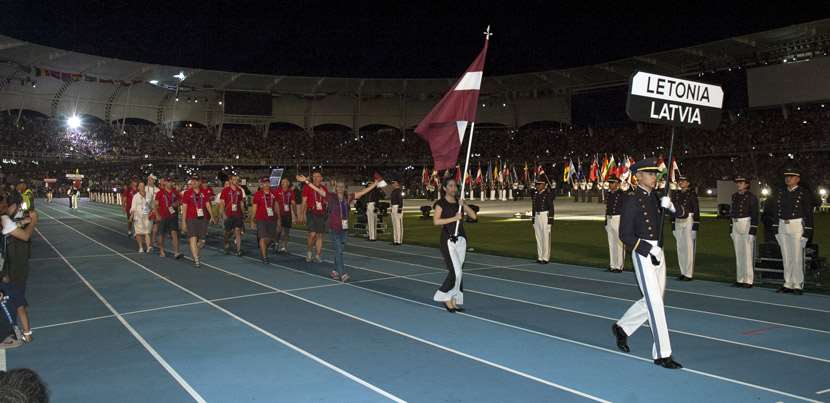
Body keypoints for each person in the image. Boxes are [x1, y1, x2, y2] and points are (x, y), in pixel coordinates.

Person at [612, 159, 684, 369]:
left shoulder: (657, 197)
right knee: (655, 304)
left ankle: (622, 327)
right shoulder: (632, 200)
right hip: (643, 252)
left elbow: (682, 214)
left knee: (654, 299)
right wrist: (646, 249)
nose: (654, 177)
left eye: (655, 174)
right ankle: (662, 354)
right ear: (638, 176)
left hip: (658, 252)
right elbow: (625, 234)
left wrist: (670, 206)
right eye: (650, 174)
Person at [298, 175, 380, 282]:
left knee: (339, 251)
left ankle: (335, 271)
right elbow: (317, 190)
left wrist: (374, 184)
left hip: (344, 230)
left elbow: (363, 192)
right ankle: (342, 273)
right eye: (338, 186)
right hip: (334, 228)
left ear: (345, 188)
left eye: (342, 186)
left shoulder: (348, 197)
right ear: (335, 187)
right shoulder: (330, 196)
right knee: (339, 251)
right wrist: (307, 182)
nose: (340, 188)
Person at [432, 177, 477, 313]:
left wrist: (464, 205)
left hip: (461, 240)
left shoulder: (459, 202)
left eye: (455, 186)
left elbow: (474, 217)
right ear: (445, 188)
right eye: (450, 186)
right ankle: (444, 296)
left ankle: (453, 298)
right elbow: (436, 221)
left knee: (459, 273)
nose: (453, 188)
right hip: (448, 240)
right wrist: (454, 218)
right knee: (455, 272)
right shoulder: (440, 203)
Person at [0, 192, 36, 345]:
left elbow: (13, 226)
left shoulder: (5, 220)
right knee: (16, 302)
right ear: (13, 205)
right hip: (8, 271)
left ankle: (23, 334)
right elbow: (24, 236)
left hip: (7, 270)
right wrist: (33, 222)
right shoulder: (5, 219)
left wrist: (26, 220)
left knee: (15, 301)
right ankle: (16, 335)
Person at [775, 165, 814, 295]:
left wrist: (807, 232)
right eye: (786, 176)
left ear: (797, 178)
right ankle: (788, 283)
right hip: (782, 225)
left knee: (797, 256)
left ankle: (797, 284)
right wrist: (776, 228)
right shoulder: (781, 192)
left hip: (796, 225)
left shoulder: (803, 193)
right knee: (786, 256)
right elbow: (777, 211)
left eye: (791, 176)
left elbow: (808, 213)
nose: (788, 179)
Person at [730, 175, 759, 288]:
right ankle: (740, 278)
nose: (738, 184)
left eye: (741, 182)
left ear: (747, 184)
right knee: (739, 253)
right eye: (738, 182)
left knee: (747, 253)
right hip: (736, 224)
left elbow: (755, 215)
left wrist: (753, 231)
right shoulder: (734, 196)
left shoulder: (751, 197)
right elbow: (732, 212)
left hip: (746, 223)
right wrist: (731, 228)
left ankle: (748, 280)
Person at [670, 175, 700, 281]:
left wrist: (695, 227)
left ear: (688, 183)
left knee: (688, 248)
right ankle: (682, 272)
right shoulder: (676, 194)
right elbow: (673, 209)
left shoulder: (692, 195)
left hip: (688, 220)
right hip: (678, 220)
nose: (681, 182)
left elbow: (696, 210)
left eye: (683, 181)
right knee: (680, 248)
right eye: (680, 181)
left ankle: (688, 273)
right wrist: (673, 225)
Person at [181, 177, 214, 268]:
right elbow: (184, 208)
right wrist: (183, 222)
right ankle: (196, 259)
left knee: (202, 241)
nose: (194, 182)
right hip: (191, 218)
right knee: (193, 237)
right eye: (192, 181)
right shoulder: (187, 193)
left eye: (196, 181)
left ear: (199, 182)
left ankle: (196, 252)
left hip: (203, 218)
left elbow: (207, 204)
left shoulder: (204, 192)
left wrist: (212, 216)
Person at [300, 171, 328, 263]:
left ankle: (318, 255)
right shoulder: (307, 187)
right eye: (314, 177)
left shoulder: (324, 188)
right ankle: (309, 253)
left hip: (322, 213)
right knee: (312, 234)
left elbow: (327, 201)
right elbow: (304, 202)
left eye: (318, 176)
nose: (316, 178)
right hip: (311, 212)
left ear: (321, 178)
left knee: (320, 235)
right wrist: (302, 214)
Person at [250, 177, 280, 264]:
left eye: (268, 183)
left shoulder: (274, 194)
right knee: (263, 237)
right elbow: (254, 208)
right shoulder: (258, 194)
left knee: (270, 238)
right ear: (262, 185)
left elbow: (277, 207)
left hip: (272, 219)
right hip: (261, 219)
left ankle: (265, 248)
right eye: (264, 183)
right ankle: (264, 257)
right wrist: (252, 220)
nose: (266, 184)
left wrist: (279, 220)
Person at [154, 178, 183, 259]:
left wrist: (177, 203)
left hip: (173, 216)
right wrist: (157, 215)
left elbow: (181, 200)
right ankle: (161, 251)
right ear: (165, 183)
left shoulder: (175, 192)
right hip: (163, 216)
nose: (170, 183)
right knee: (161, 234)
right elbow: (155, 205)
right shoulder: (160, 193)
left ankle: (176, 252)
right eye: (168, 182)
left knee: (174, 233)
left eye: (171, 182)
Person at [219, 175, 245, 256]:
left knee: (237, 231)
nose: (236, 181)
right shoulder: (225, 190)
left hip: (238, 214)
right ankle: (226, 242)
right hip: (228, 214)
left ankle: (238, 249)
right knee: (228, 232)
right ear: (230, 180)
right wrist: (223, 214)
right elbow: (222, 203)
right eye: (234, 179)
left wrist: (243, 213)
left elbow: (241, 203)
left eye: (237, 180)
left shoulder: (239, 190)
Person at [531, 177, 555, 264]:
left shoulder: (547, 194)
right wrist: (533, 219)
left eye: (539, 184)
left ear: (543, 185)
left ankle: (545, 258)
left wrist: (550, 221)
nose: (537, 186)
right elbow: (533, 207)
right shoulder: (536, 194)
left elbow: (551, 208)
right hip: (537, 216)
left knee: (545, 237)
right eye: (536, 185)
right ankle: (540, 256)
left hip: (545, 216)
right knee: (538, 237)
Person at [605, 175, 625, 272]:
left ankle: (619, 265)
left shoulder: (621, 194)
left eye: (612, 183)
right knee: (611, 243)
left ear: (617, 184)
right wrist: (606, 222)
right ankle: (612, 264)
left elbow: (625, 210)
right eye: (610, 183)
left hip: (618, 218)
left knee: (619, 243)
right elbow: (607, 209)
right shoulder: (609, 194)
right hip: (609, 219)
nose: (610, 185)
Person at [274, 177, 296, 254]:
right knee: (278, 230)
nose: (283, 183)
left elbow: (293, 203)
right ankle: (276, 242)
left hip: (287, 214)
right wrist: (278, 215)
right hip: (279, 213)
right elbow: (276, 203)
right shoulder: (278, 191)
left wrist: (295, 214)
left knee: (286, 231)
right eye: (282, 182)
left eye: (285, 182)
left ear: (288, 183)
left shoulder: (291, 192)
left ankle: (284, 246)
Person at [130, 183, 153, 254]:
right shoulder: (135, 196)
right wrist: (131, 216)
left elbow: (152, 205)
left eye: (143, 186)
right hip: (138, 217)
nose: (142, 187)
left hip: (147, 215)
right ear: (138, 188)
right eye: (140, 186)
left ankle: (148, 247)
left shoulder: (149, 195)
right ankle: (140, 247)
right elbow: (133, 207)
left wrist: (152, 212)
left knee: (147, 232)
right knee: (138, 233)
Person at [145, 175, 160, 248]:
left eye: (151, 179)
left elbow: (158, 201)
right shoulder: (144, 188)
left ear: (154, 181)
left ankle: (153, 240)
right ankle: (147, 241)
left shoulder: (157, 190)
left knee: (155, 226)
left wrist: (155, 209)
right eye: (148, 179)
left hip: (155, 209)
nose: (149, 180)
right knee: (147, 226)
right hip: (146, 209)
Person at [389, 177, 404, 246]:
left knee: (398, 225)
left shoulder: (399, 190)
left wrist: (400, 208)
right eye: (392, 183)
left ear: (397, 183)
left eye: (394, 183)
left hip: (398, 207)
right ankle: (395, 240)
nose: (392, 184)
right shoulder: (393, 191)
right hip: (393, 207)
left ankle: (399, 241)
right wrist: (391, 208)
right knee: (394, 225)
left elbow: (400, 200)